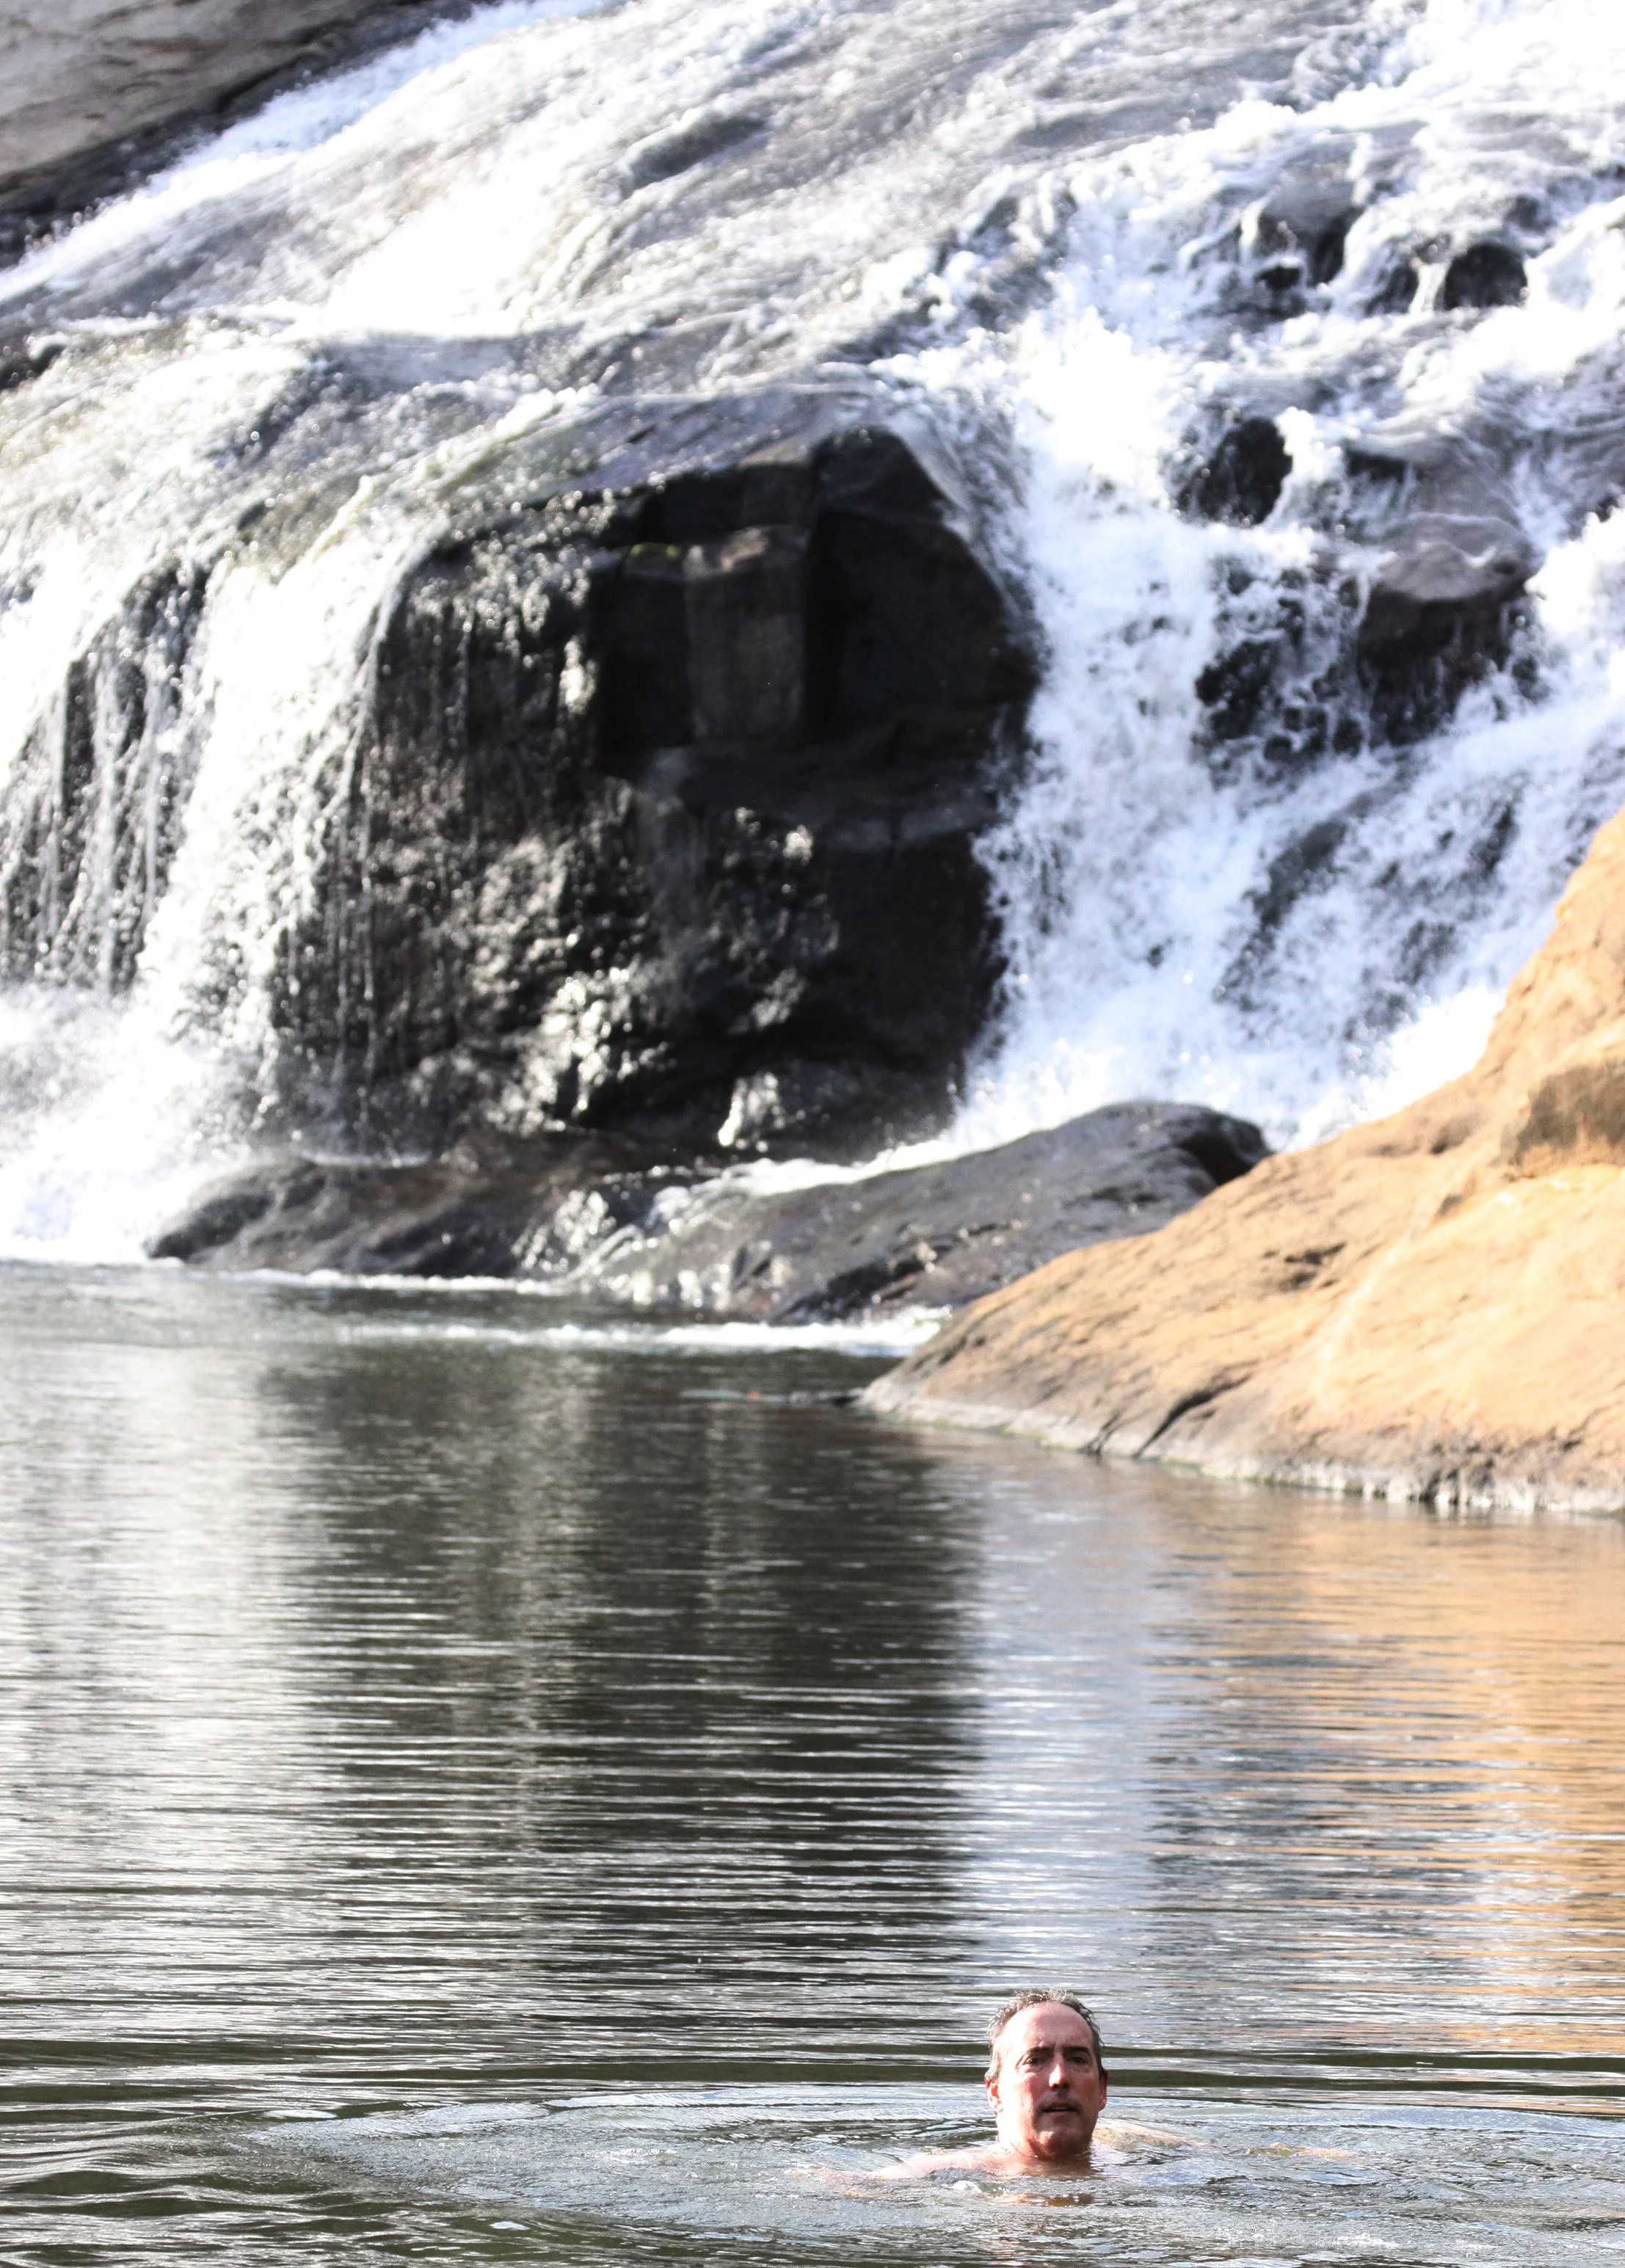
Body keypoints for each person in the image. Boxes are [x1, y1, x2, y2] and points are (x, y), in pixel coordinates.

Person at [874, 1988, 1115, 2181]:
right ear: (996, 2093)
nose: (1060, 2078)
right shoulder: (947, 2171)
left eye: (1077, 2059)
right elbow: (854, 2187)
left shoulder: (1124, 2157)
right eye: (1034, 2061)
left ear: (1102, 2090)